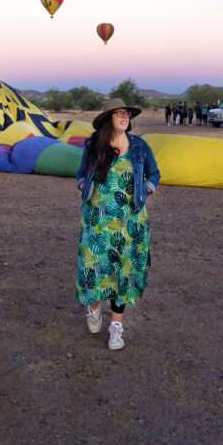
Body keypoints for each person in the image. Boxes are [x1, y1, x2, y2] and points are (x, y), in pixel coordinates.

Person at [75, 96, 161, 351]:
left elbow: (154, 173)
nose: (125, 117)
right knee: (93, 268)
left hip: (129, 220)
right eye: (119, 113)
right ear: (108, 119)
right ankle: (93, 310)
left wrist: (147, 189)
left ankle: (116, 329)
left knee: (122, 273)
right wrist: (83, 186)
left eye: (127, 114)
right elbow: (81, 173)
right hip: (97, 219)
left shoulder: (140, 147)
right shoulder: (94, 146)